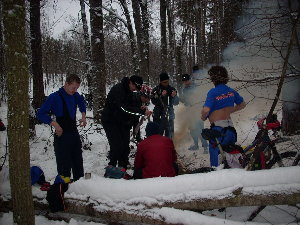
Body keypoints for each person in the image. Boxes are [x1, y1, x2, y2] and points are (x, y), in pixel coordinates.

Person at [37, 74, 87, 182]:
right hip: (62, 134)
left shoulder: (75, 95)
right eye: (73, 88)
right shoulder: (55, 97)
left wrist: (83, 116)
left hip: (73, 132)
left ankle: (80, 183)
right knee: (64, 162)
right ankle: (63, 185)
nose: (75, 90)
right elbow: (41, 114)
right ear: (66, 84)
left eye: (77, 88)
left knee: (77, 160)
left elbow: (82, 103)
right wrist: (54, 124)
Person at [101, 75, 152, 177]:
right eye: (135, 88)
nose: (135, 91)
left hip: (121, 121)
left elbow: (130, 106)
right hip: (110, 120)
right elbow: (124, 108)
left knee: (125, 143)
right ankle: (111, 167)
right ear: (131, 83)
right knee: (117, 144)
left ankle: (122, 165)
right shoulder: (119, 89)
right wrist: (141, 112)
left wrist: (139, 107)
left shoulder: (129, 91)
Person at [201, 66, 246, 167]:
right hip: (231, 131)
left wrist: (203, 117)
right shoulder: (231, 91)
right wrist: (231, 110)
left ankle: (217, 179)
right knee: (229, 158)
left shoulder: (213, 92)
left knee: (216, 164)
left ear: (213, 78)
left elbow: (206, 110)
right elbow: (242, 104)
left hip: (218, 131)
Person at [181, 74, 208, 152]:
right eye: (184, 81)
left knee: (200, 128)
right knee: (192, 128)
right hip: (190, 110)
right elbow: (186, 100)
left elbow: (200, 97)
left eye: (186, 80)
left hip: (197, 110)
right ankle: (196, 145)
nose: (185, 82)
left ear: (190, 79)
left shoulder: (196, 86)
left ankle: (205, 146)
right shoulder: (184, 89)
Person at [151, 72, 179, 139]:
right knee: (158, 134)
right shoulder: (156, 90)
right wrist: (161, 96)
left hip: (169, 114)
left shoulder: (172, 89)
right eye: (164, 82)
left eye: (167, 81)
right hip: (158, 115)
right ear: (161, 82)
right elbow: (153, 101)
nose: (166, 83)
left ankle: (169, 147)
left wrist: (174, 96)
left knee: (169, 135)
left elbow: (176, 103)